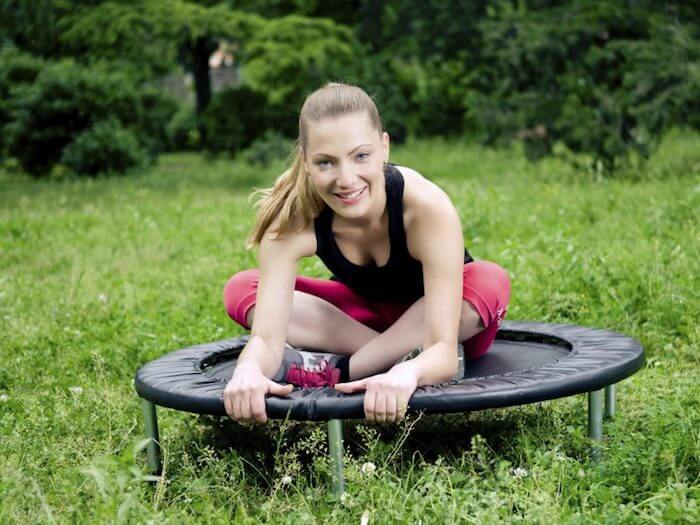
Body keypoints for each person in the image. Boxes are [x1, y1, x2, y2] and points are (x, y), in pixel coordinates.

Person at [222, 82, 510, 425]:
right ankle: (386, 357)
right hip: (360, 318)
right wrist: (248, 371)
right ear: (306, 162)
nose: (346, 179)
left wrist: (409, 373)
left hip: (438, 321)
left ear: (384, 147)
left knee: (488, 279)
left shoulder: (424, 207)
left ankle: (342, 370)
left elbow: (444, 352)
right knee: (243, 287)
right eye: (326, 162)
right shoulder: (293, 219)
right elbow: (267, 341)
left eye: (361, 156)